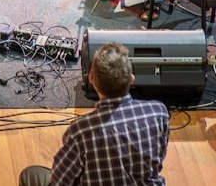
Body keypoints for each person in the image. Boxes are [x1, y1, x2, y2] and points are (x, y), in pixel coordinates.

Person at [18, 42, 169, 186]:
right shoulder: (159, 113)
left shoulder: (81, 131)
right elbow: (158, 160)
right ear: (131, 79)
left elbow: (60, 181)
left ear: (91, 79)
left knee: (30, 175)